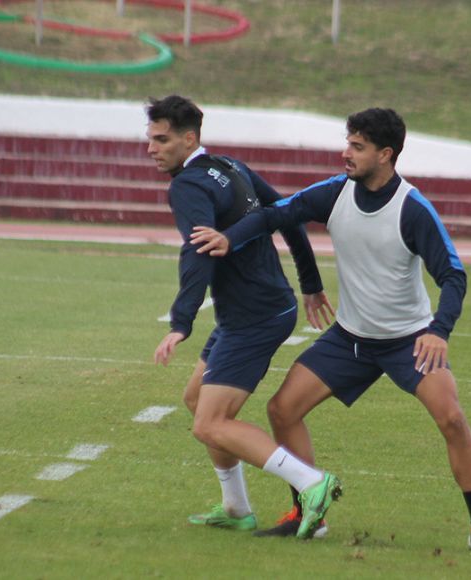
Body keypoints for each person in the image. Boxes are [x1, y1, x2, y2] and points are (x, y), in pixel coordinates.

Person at [190, 107, 471, 553]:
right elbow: (275, 215)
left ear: (386, 154)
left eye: (357, 147)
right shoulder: (334, 193)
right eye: (347, 143)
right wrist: (229, 238)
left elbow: (453, 275)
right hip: (350, 339)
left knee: (451, 418)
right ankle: (306, 513)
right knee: (282, 409)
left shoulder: (412, 209)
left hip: (408, 341)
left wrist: (439, 329)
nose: (346, 153)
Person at [146, 95, 341, 539]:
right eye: (150, 139)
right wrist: (309, 282)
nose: (152, 148)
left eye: (162, 139)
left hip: (254, 314)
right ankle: (236, 509)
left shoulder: (187, 186)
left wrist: (180, 323)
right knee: (197, 399)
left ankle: (313, 483)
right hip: (261, 306)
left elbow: (198, 250)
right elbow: (284, 215)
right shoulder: (229, 166)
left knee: (210, 422)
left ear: (189, 138)